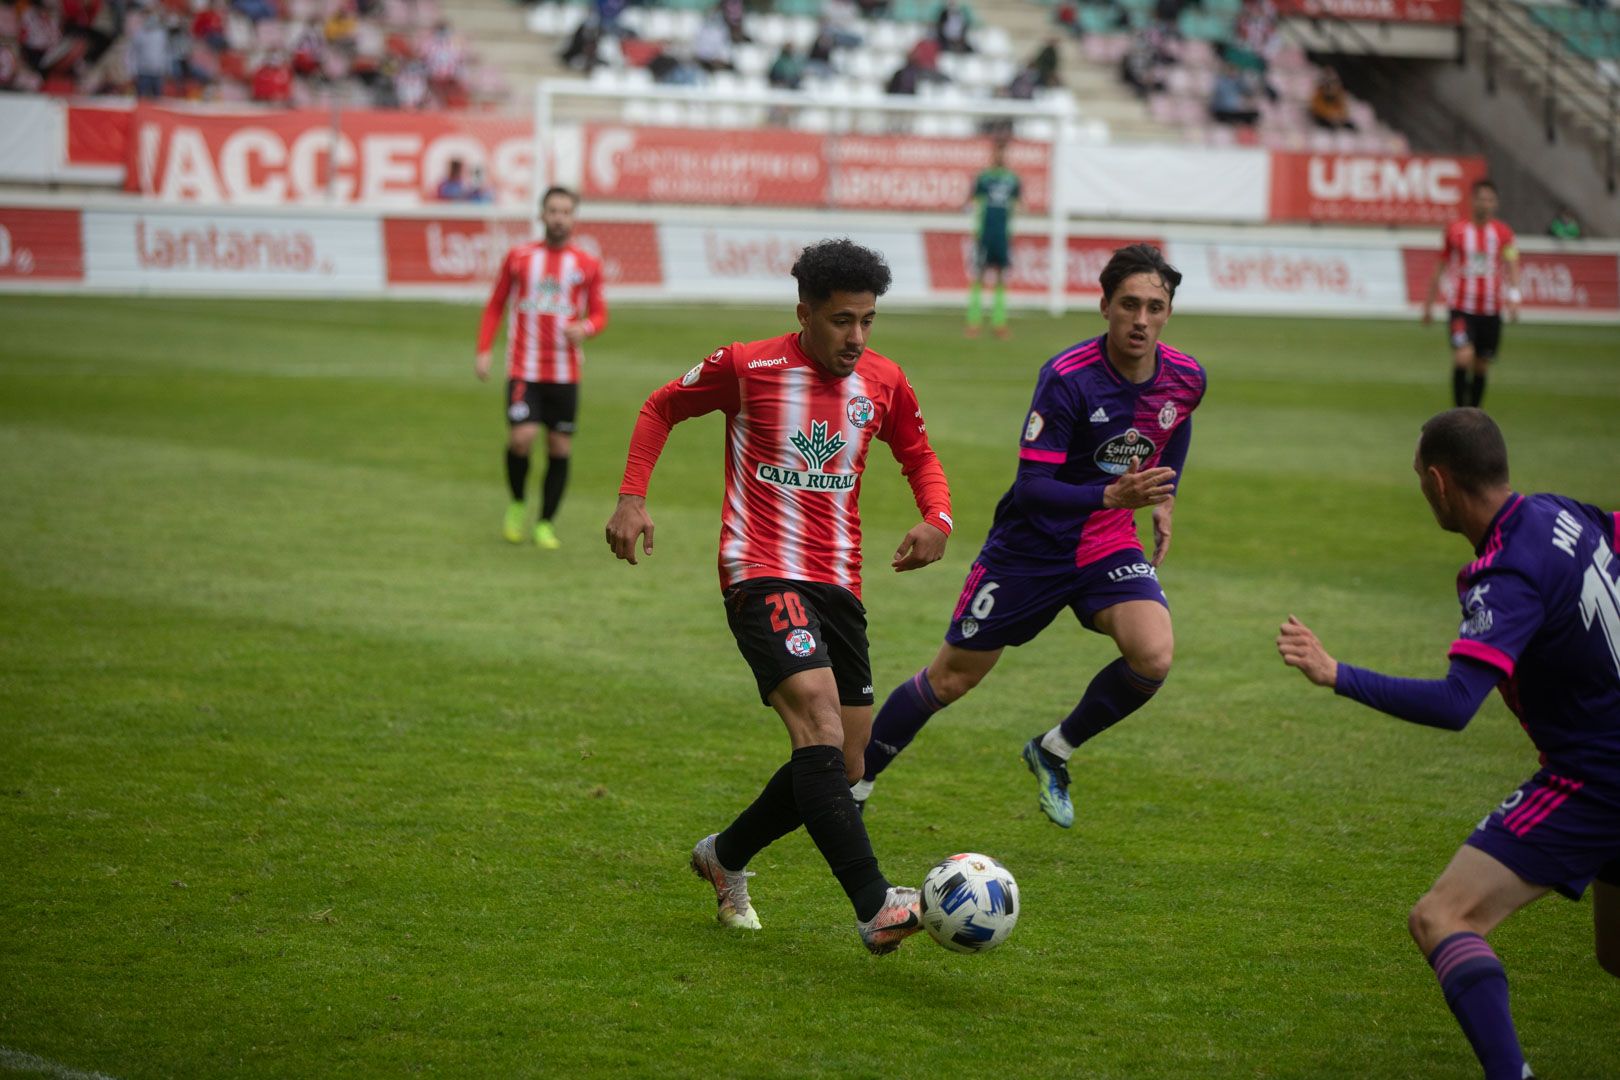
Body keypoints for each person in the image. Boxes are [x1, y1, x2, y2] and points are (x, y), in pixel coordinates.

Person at [604, 239, 955, 954]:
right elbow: (660, 407)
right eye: (840, 321)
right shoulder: (749, 366)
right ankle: (875, 902)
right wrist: (631, 498)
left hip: (839, 584)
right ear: (804, 313)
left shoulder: (884, 381)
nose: (856, 338)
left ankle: (725, 855)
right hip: (760, 571)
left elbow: (917, 452)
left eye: (867, 321)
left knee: (845, 763)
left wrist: (937, 517)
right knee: (820, 726)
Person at [1277, 407, 1619, 1080]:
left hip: (1597, 776)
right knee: (1615, 954)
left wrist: (1335, 673)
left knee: (1442, 916)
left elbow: (1458, 703)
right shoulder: (1563, 512)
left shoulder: (1505, 572)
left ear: (1439, 483)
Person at [857, 244, 1206, 829]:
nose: (1141, 319)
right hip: (1029, 547)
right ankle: (857, 784)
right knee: (951, 678)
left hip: (1105, 540)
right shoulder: (1068, 378)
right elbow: (1033, 486)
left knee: (1153, 655)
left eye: (1154, 306)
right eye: (1129, 305)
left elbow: (1177, 420)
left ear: (1168, 311)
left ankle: (1053, 750)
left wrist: (1165, 495)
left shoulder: (1186, 377)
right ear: (1105, 306)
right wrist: (1110, 494)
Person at [475, 186, 607, 550]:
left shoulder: (586, 264)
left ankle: (545, 523)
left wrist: (586, 328)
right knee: (521, 439)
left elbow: (599, 313)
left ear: (573, 217)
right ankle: (517, 503)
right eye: (553, 210)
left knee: (559, 447)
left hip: (565, 373)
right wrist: (484, 349)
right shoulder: (519, 257)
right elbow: (495, 304)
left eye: (566, 211)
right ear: (542, 214)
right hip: (524, 368)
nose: (559, 217)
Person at [1423, 179, 1520, 410]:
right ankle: (1459, 411)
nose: (1485, 203)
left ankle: (1473, 413)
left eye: (1490, 199)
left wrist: (1514, 297)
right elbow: (1441, 265)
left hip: (1490, 309)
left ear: (1495, 203)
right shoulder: (1456, 231)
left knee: (1481, 365)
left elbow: (1513, 263)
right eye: (1481, 198)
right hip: (1461, 307)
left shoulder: (1503, 234)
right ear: (1472, 200)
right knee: (1463, 356)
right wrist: (1428, 304)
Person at [965, 139, 1020, 339]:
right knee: (979, 276)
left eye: (1003, 151)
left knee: (1000, 278)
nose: (1000, 155)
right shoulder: (984, 178)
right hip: (984, 234)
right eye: (997, 151)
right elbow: (972, 202)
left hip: (1002, 235)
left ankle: (999, 323)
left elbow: (1018, 204)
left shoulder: (1013, 179)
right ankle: (974, 322)